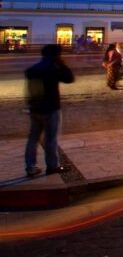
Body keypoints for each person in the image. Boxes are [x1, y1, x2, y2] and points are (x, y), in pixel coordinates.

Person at [25, 44, 75, 177]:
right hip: (51, 108)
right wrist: (62, 64)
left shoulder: (33, 69)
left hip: (35, 108)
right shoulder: (53, 68)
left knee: (33, 138)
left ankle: (30, 167)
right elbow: (69, 78)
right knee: (51, 139)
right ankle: (52, 166)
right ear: (57, 55)